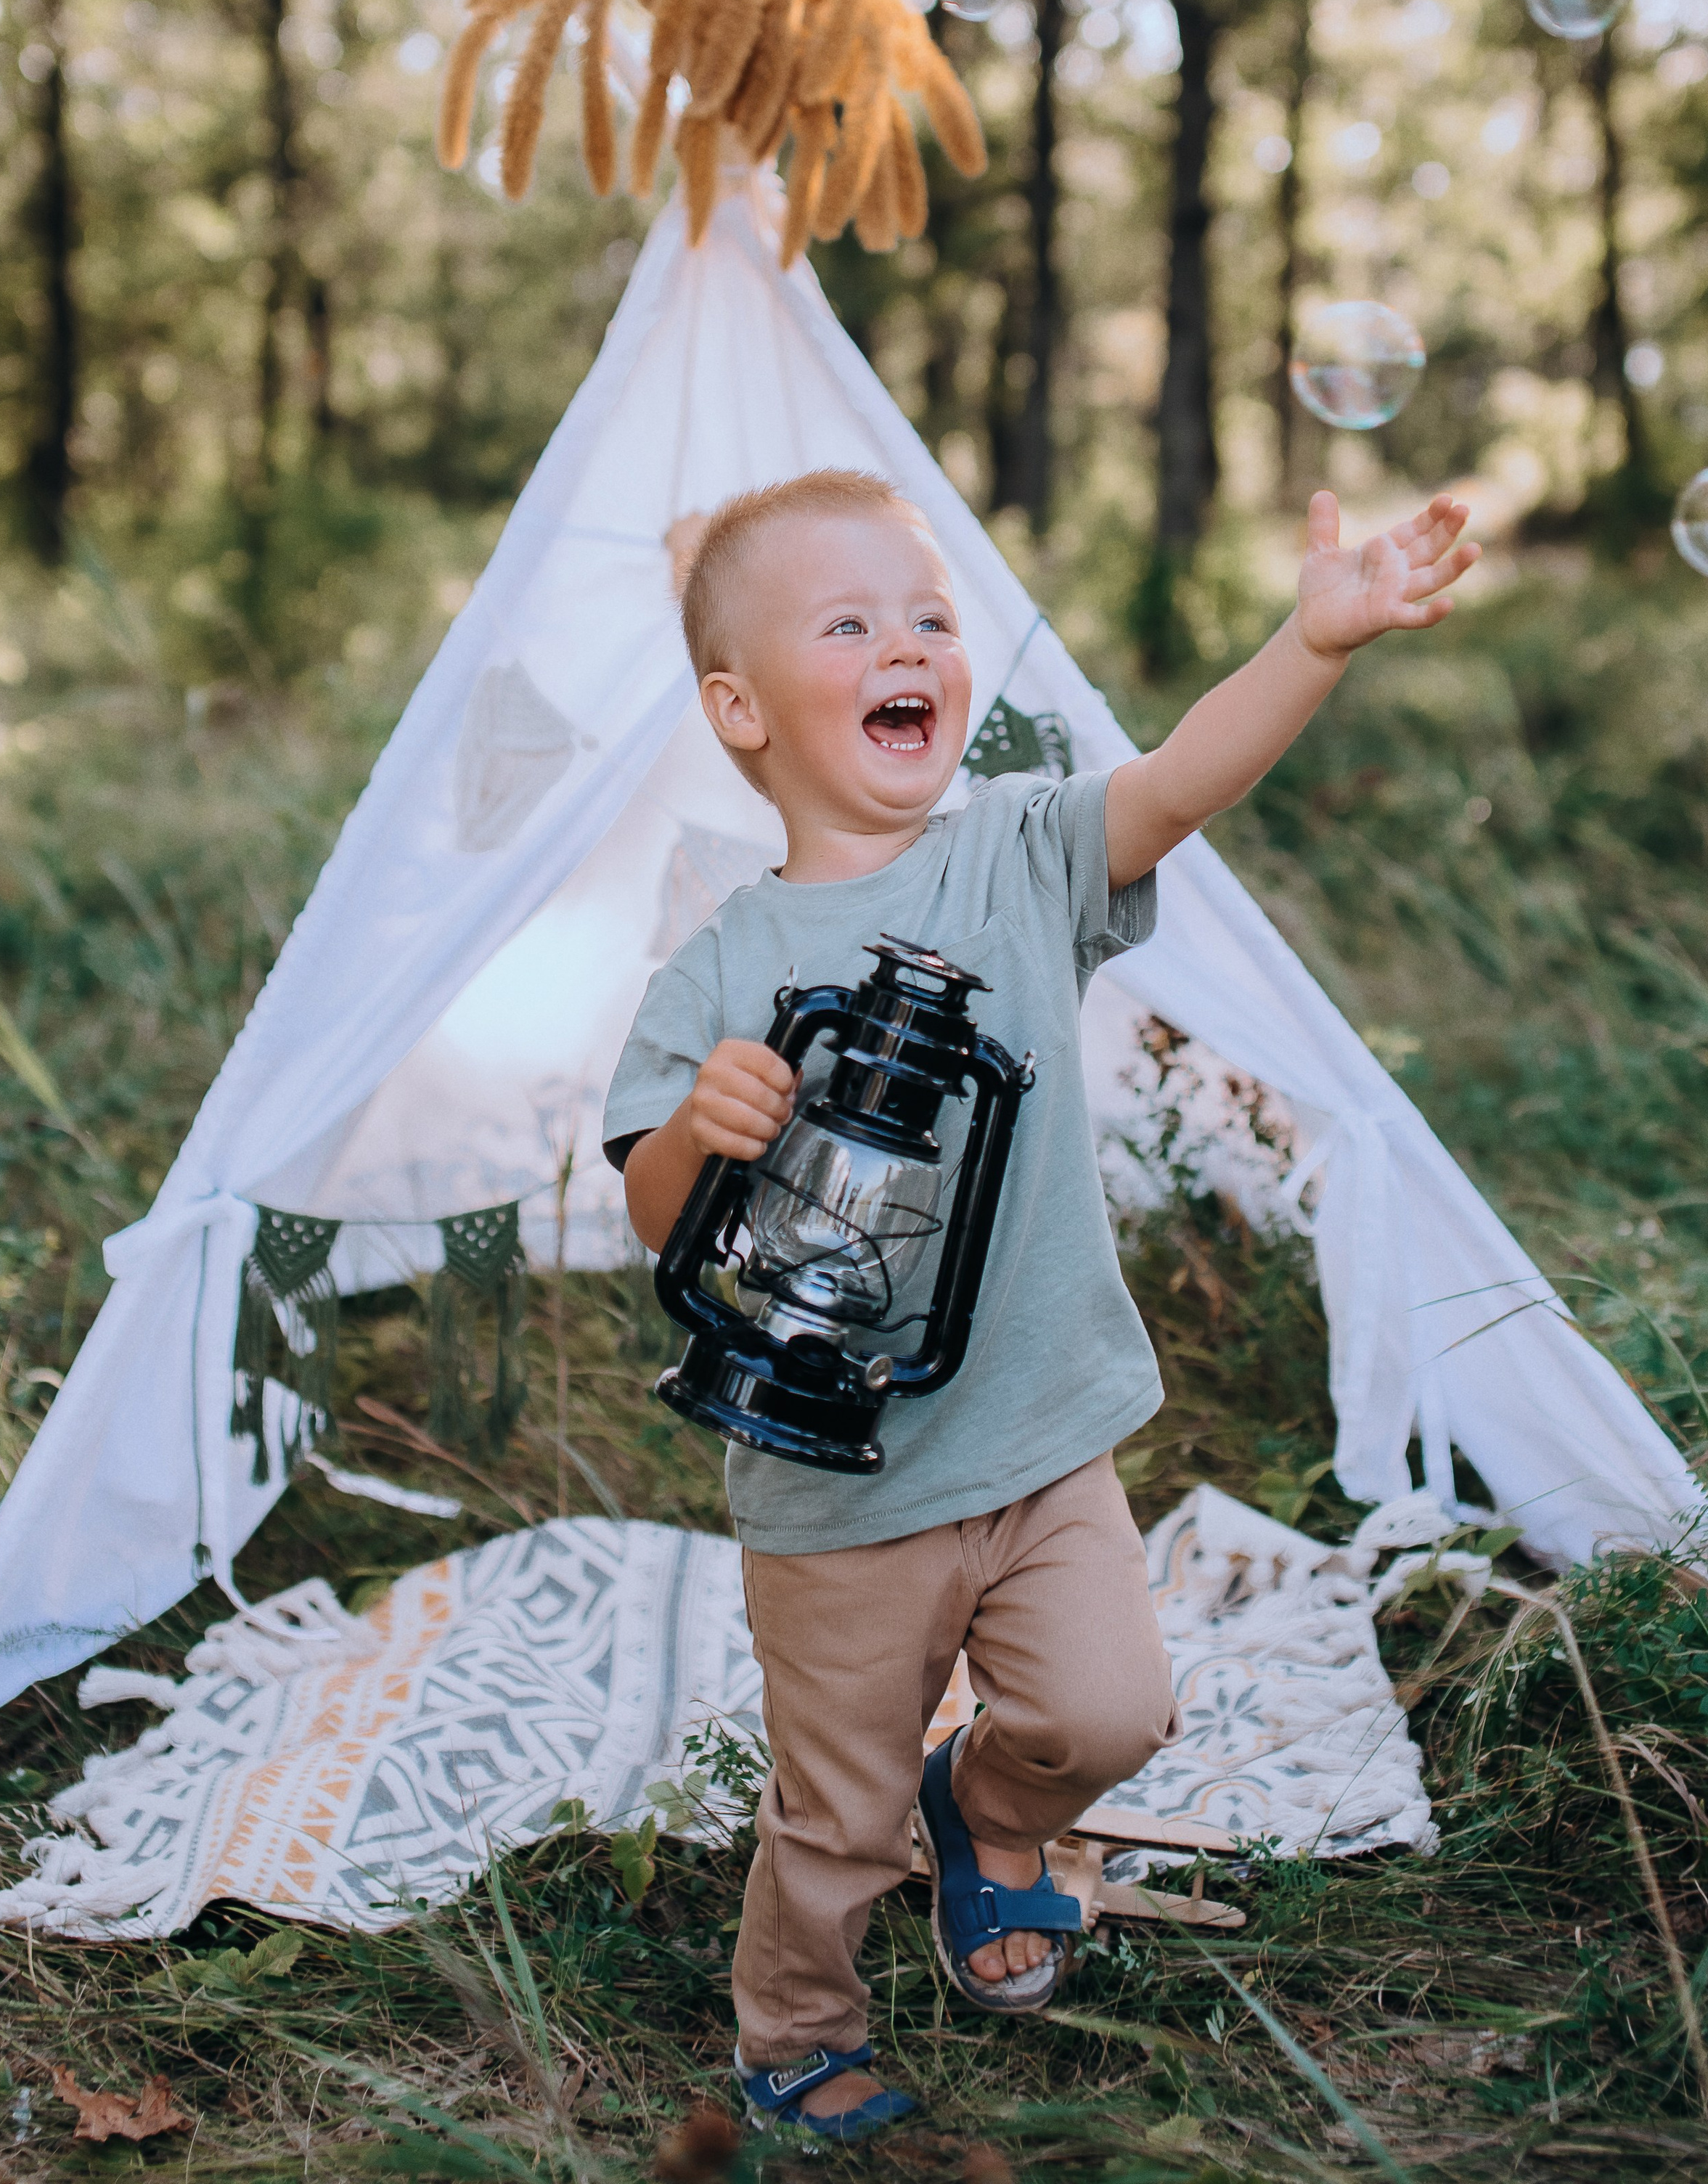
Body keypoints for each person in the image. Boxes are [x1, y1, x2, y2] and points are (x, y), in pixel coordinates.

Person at [602, 465, 1477, 2141]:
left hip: (1037, 1435)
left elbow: (1173, 788)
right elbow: (651, 1207)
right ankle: (793, 2024)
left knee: (1107, 1711)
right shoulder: (719, 964)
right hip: (833, 1495)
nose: (904, 644)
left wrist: (1311, 643)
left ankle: (990, 1818)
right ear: (741, 711)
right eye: (846, 622)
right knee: (835, 1810)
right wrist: (701, 1134)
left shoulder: (1013, 854)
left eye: (927, 617)